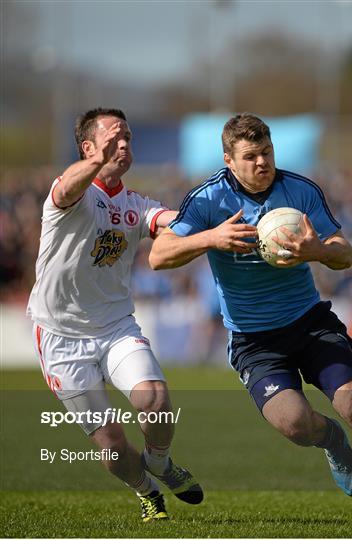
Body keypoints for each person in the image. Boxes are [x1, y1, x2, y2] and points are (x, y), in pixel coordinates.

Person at [149, 113, 352, 529]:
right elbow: (159, 256)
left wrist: (316, 250)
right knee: (295, 425)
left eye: (266, 152)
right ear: (229, 159)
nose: (262, 163)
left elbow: (345, 253)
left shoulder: (299, 190)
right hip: (254, 341)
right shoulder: (208, 200)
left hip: (309, 322)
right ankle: (331, 439)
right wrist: (211, 238)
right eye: (250, 156)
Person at [27, 107, 203, 522]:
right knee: (111, 447)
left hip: (116, 328)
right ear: (88, 147)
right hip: (60, 337)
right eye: (112, 137)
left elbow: (170, 221)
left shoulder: (134, 204)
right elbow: (67, 186)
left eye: (127, 138)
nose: (123, 144)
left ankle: (160, 463)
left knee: (155, 400)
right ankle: (147, 489)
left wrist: (212, 225)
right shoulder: (71, 194)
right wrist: (92, 163)